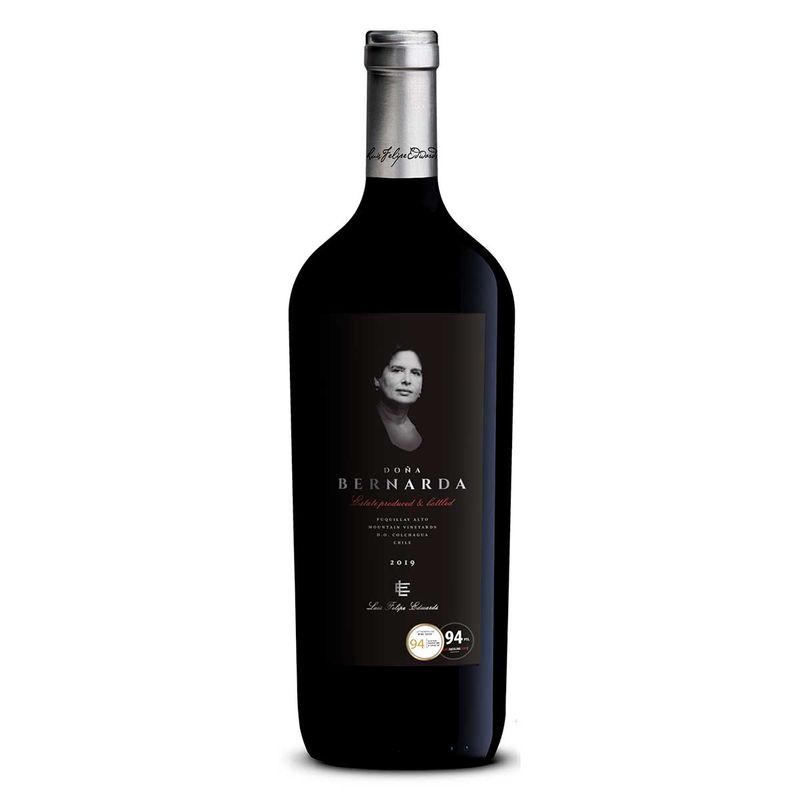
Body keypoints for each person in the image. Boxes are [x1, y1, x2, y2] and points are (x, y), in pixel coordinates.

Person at [373, 347, 423, 452]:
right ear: (377, 380)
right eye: (397, 370)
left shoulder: (433, 428)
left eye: (415, 373)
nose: (407, 380)